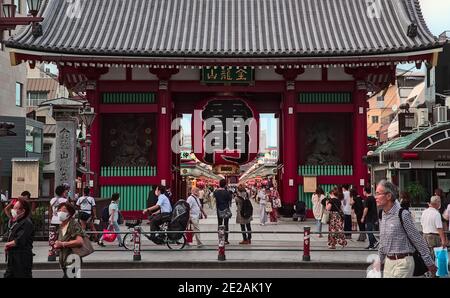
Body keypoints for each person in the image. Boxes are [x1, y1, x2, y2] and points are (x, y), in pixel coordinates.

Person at [376, 180, 436, 278]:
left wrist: (429, 262)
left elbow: (417, 239)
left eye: (378, 193)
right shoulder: (382, 214)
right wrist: (378, 260)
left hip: (404, 262)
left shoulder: (402, 214)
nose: (376, 197)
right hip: (388, 262)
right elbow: (383, 241)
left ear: (388, 196)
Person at [3, 198, 33, 278]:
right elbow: (6, 210)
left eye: (16, 208)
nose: (13, 210)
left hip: (22, 258)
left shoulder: (26, 223)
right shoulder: (17, 221)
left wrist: (8, 244)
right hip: (13, 258)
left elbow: (19, 240)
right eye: (14, 207)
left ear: (23, 211)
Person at [53, 202, 84, 278]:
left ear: (69, 213)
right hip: (65, 261)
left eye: (64, 211)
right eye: (59, 210)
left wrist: (62, 244)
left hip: (73, 260)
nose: (61, 212)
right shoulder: (61, 226)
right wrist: (57, 245)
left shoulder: (73, 224)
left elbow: (79, 242)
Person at [214, 179, 232, 245]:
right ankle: (226, 240)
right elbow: (230, 199)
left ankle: (220, 238)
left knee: (219, 224)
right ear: (225, 185)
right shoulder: (227, 192)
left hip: (219, 209)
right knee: (226, 224)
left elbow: (214, 198)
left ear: (219, 184)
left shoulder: (216, 192)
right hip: (226, 209)